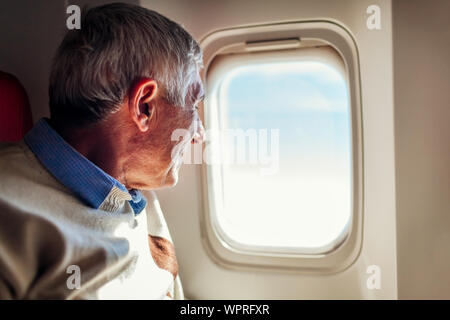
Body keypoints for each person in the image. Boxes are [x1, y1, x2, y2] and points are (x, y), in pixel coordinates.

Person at [0, 2, 205, 299]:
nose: (199, 135)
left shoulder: (139, 193)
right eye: (194, 107)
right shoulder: (10, 214)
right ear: (144, 106)